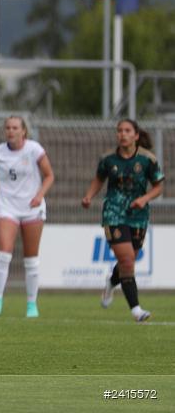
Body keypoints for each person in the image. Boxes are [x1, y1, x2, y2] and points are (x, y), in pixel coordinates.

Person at [81, 119, 163, 322]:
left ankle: (111, 283)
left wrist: (144, 199)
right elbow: (99, 178)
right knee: (127, 260)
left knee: (128, 260)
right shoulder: (108, 159)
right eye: (119, 131)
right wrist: (89, 196)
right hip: (114, 213)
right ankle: (136, 310)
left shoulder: (147, 160)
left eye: (127, 131)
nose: (122, 134)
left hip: (138, 216)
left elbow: (158, 186)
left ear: (136, 135)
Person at [0, 116, 55, 318]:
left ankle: (31, 304)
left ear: (24, 131)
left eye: (15, 127)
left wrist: (39, 195)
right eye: (8, 127)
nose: (11, 131)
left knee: (31, 259)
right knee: (4, 252)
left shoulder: (34, 149)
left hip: (32, 208)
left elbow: (49, 175)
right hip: (7, 207)